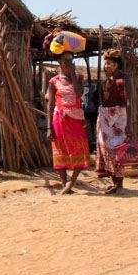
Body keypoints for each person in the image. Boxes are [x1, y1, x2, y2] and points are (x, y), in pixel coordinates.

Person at [46, 51, 90, 195]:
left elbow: (78, 93)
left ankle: (71, 183)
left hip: (75, 119)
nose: (69, 64)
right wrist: (49, 127)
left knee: (81, 148)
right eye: (66, 61)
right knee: (60, 150)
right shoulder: (54, 81)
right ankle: (65, 184)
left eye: (71, 61)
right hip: (59, 119)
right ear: (59, 62)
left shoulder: (79, 78)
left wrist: (72, 75)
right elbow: (50, 104)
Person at [95, 50, 133, 195]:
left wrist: (129, 124)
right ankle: (113, 182)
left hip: (118, 119)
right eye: (105, 63)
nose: (106, 66)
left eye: (109, 63)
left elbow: (129, 102)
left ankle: (119, 184)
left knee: (117, 150)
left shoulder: (125, 79)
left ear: (117, 64)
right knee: (106, 150)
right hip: (105, 119)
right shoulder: (109, 80)